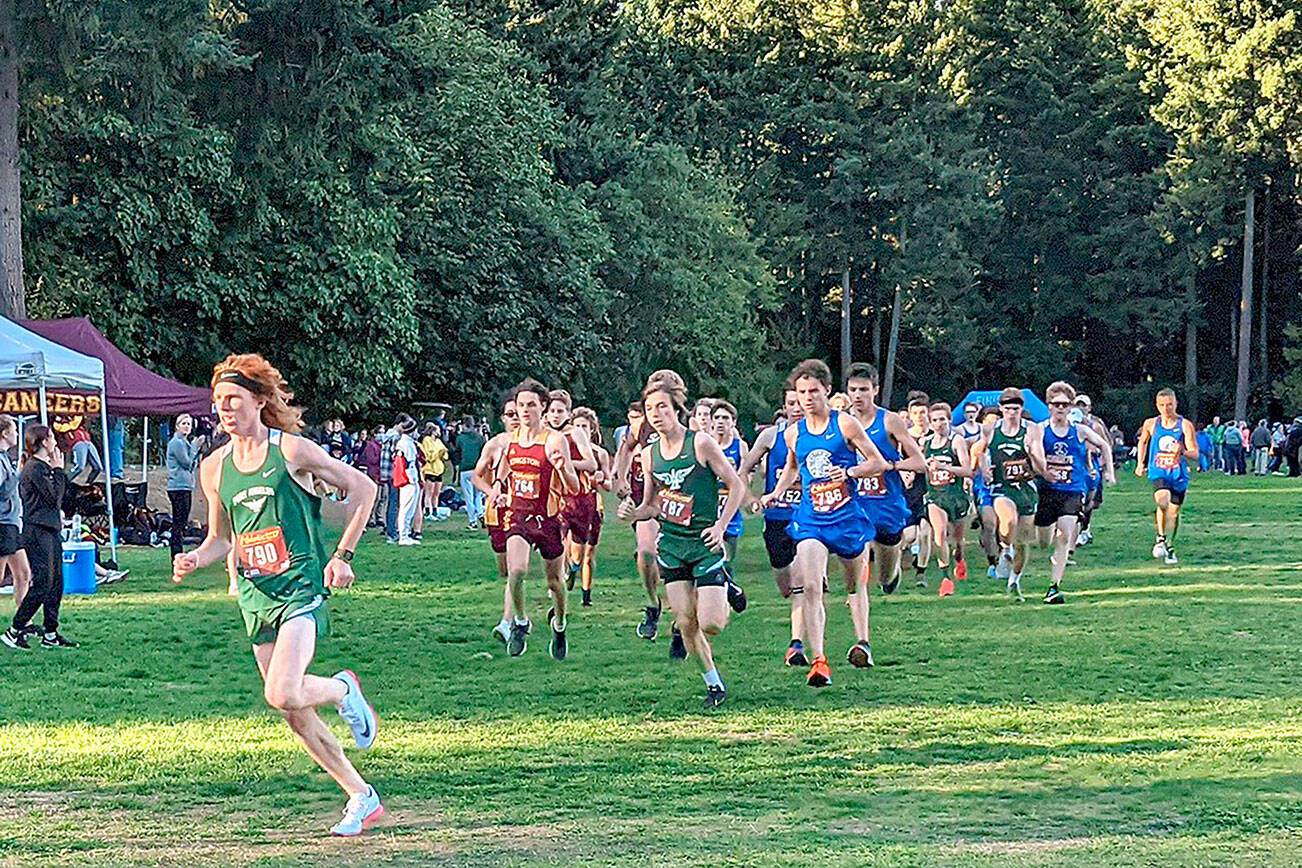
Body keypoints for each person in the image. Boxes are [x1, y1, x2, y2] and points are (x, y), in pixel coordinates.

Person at [171, 355, 381, 836]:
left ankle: (344, 689)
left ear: (259, 401)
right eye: (218, 402)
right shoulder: (214, 467)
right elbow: (222, 538)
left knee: (283, 690)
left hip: (301, 585)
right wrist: (195, 559)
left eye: (234, 400)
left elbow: (364, 488)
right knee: (291, 712)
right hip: (254, 593)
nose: (224, 410)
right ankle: (359, 795)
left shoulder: (291, 451)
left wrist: (343, 556)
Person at [761, 359, 889, 687]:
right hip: (811, 518)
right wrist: (775, 492)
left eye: (813, 391)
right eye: (801, 392)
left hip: (846, 517)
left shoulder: (845, 425)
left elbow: (877, 462)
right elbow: (793, 466)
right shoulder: (794, 433)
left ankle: (863, 642)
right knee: (812, 585)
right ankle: (819, 660)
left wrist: (848, 472)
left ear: (827, 391)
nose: (806, 398)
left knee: (852, 585)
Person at [620, 374, 745, 708]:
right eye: (649, 409)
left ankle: (726, 586)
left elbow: (736, 486)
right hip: (672, 546)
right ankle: (714, 684)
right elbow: (651, 505)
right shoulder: (648, 454)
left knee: (712, 624)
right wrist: (632, 512)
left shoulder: (700, 443)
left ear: (677, 408)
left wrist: (720, 527)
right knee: (686, 622)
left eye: (662, 406)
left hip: (704, 542)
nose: (656, 414)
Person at [490, 379, 580, 659]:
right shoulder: (511, 440)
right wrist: (498, 489)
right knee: (516, 571)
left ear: (543, 408)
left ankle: (560, 622)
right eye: (520, 405)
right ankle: (520, 621)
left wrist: (562, 468)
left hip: (548, 519)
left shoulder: (554, 440)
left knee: (555, 582)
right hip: (518, 517)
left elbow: (574, 487)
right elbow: (503, 472)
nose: (525, 410)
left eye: (531, 404)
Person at [843, 364, 927, 597]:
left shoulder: (889, 421)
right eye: (852, 390)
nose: (857, 395)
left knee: (885, 577)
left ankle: (891, 575)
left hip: (886, 503)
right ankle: (857, 596)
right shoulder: (840, 422)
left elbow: (920, 462)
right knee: (855, 551)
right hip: (854, 502)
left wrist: (891, 466)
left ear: (875, 390)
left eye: (863, 389)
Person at [740, 384, 807, 666]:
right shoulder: (771, 436)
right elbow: (744, 468)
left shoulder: (820, 436)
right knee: (786, 584)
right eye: (791, 402)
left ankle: (797, 643)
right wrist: (750, 496)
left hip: (808, 517)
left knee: (804, 581)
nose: (797, 407)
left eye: (801, 401)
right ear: (785, 406)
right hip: (776, 517)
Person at [1034, 382, 1115, 604]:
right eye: (1056, 404)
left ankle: (1054, 586)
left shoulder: (1079, 431)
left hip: (1072, 489)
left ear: (1070, 407)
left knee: (1066, 535)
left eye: (1064, 404)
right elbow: (1031, 451)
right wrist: (1041, 468)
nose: (1060, 408)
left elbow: (1105, 445)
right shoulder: (1040, 430)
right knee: (1043, 540)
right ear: (1049, 406)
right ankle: (1050, 550)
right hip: (1047, 490)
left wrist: (1109, 472)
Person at [2, 424, 75, 649]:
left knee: (56, 582)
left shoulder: (43, 468)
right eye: (52, 438)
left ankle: (51, 633)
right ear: (43, 442)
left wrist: (57, 473)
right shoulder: (35, 468)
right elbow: (53, 497)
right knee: (42, 582)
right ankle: (15, 629)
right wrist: (59, 471)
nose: (55, 442)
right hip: (37, 530)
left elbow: (61, 498)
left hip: (51, 529)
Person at [970, 388, 1047, 600]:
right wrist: (983, 468)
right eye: (1008, 408)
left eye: (1016, 408)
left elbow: (1041, 467)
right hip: (1001, 488)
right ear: (1001, 409)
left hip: (1027, 489)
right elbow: (976, 449)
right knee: (1008, 519)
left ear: (1022, 409)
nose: (1012, 413)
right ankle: (1005, 548)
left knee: (1024, 541)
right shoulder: (990, 429)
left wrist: (1032, 454)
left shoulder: (1032, 430)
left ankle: (1015, 578)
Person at [471, 395, 520, 644]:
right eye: (510, 414)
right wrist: (492, 492)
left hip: (523, 513)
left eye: (519, 412)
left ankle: (508, 621)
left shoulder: (538, 442)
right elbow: (476, 477)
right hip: (497, 512)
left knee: (515, 569)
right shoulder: (494, 445)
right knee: (505, 570)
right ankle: (519, 615)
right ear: (502, 418)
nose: (516, 418)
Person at [1135, 388, 1199, 565]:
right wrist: (1140, 463)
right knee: (1162, 500)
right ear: (1157, 406)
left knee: (1174, 512)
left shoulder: (1184, 425)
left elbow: (1195, 454)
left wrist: (1183, 452)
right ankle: (1160, 538)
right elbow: (1143, 442)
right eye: (1162, 405)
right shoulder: (1151, 424)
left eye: (1169, 404)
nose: (1166, 409)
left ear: (1176, 403)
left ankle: (1170, 546)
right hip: (1158, 471)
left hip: (1178, 474)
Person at [921, 403, 973, 597]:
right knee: (940, 534)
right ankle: (946, 579)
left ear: (949, 420)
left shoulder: (956, 441)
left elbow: (968, 470)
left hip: (957, 496)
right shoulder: (925, 443)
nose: (939, 423)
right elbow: (920, 466)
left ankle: (959, 560)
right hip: (936, 496)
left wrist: (945, 467)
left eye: (942, 419)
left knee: (958, 542)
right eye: (934, 420)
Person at [569, 407, 611, 607]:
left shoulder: (599, 453)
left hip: (593, 506)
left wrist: (602, 479)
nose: (580, 430)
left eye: (584, 426)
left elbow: (609, 485)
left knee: (589, 553)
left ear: (592, 429)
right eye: (576, 426)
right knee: (573, 552)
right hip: (569, 503)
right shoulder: (566, 448)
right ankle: (570, 569)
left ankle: (587, 595)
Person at [0, 416, 30, 612]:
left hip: (12, 523)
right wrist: (18, 474)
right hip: (3, 523)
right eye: (14, 430)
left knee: (24, 574)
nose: (17, 434)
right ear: (4, 433)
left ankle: (22, 621)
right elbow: (3, 490)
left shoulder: (5, 458)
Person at [166, 414, 205, 560]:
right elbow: (187, 463)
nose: (187, 426)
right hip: (178, 487)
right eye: (184, 423)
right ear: (177, 426)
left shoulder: (184, 442)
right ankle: (176, 553)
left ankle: (178, 552)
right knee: (179, 522)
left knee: (181, 522)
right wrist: (195, 446)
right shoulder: (177, 443)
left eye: (189, 424)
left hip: (185, 485)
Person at [392, 417, 420, 545]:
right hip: (409, 478)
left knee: (411, 507)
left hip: (412, 477)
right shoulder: (404, 443)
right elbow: (405, 463)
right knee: (406, 507)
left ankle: (406, 533)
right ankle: (403, 535)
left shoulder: (409, 442)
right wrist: (410, 478)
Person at [456, 417, 486, 529]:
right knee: (478, 495)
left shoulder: (460, 438)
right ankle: (481, 514)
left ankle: (472, 521)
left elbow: (457, 452)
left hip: (465, 469)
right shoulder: (480, 438)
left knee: (468, 497)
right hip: (478, 469)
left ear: (464, 425)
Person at [419, 424, 449, 520]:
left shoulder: (439, 441)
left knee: (437, 492)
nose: (439, 432)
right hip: (430, 470)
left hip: (439, 469)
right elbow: (429, 457)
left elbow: (445, 456)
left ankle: (435, 511)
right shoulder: (427, 440)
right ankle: (428, 511)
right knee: (429, 492)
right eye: (437, 430)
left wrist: (443, 453)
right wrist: (438, 453)